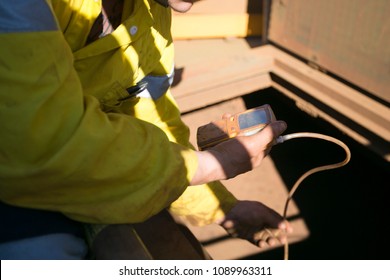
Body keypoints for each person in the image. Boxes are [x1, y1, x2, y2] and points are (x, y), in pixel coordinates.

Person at [0, 0, 290, 259]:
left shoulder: (153, 15)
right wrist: (213, 164)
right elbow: (39, 143)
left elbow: (154, 121)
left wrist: (222, 207)